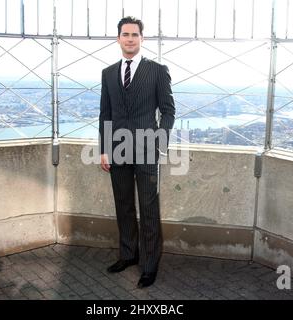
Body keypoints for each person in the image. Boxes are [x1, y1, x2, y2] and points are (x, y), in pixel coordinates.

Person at [99, 16, 175, 288]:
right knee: (124, 206)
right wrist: (104, 150)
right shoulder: (108, 73)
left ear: (142, 39)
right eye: (125, 34)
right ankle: (129, 255)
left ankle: (150, 265)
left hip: (146, 149)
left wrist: (159, 141)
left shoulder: (157, 70)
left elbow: (168, 110)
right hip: (117, 150)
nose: (130, 38)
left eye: (134, 34)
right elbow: (105, 114)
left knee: (149, 209)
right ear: (118, 38)